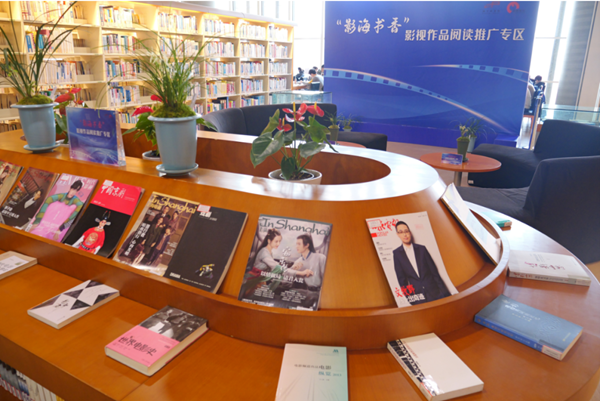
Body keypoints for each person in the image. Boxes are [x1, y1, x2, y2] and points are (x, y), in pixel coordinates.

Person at [392, 221, 451, 305]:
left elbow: (434, 273)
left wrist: (446, 294)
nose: (405, 234)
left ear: (410, 233)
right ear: (397, 234)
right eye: (401, 232)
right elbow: (402, 281)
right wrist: (411, 300)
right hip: (418, 298)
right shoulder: (397, 254)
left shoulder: (422, 249)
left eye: (406, 231)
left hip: (435, 293)